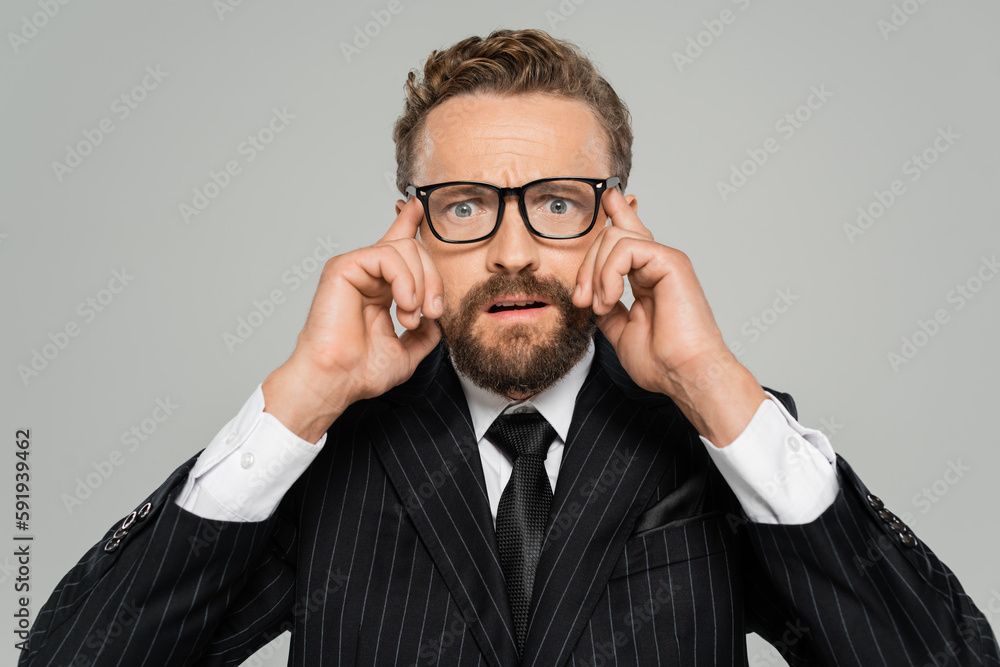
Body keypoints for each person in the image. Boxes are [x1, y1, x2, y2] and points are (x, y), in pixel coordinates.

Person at [21, 28, 998, 667]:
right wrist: (300, 398)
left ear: (620, 220)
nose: (514, 248)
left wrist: (717, 389)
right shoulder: (332, 451)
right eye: (465, 207)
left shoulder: (721, 437)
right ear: (410, 232)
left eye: (559, 204)